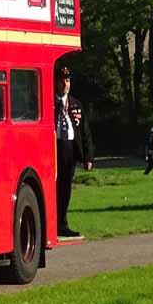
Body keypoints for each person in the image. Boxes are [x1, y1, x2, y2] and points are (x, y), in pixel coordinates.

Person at [54, 66, 94, 237]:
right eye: (62, 80)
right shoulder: (48, 102)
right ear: (55, 82)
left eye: (68, 80)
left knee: (66, 188)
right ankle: (52, 223)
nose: (65, 84)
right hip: (55, 149)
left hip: (71, 150)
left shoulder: (76, 104)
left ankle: (63, 223)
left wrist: (88, 156)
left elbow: (85, 132)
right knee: (54, 188)